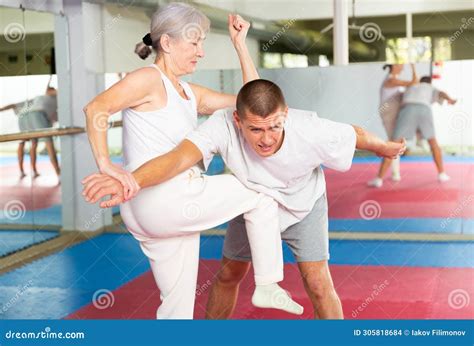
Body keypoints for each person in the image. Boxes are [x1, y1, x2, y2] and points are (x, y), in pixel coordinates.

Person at [82, 79, 406, 319]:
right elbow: (178, 158)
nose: (267, 138)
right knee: (228, 275)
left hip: (304, 202)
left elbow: (356, 134)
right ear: (238, 121)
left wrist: (384, 147)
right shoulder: (221, 126)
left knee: (318, 282)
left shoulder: (310, 129)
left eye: (275, 127)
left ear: (286, 115)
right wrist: (130, 181)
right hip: (254, 199)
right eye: (256, 130)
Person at [83, 3, 302, 319]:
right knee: (263, 191)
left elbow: (254, 100)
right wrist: (105, 164)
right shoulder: (149, 78)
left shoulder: (188, 92)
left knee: (177, 310)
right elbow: (96, 109)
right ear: (168, 43)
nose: (201, 52)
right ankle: (267, 283)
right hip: (164, 199)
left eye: (202, 43)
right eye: (195, 42)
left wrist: (240, 45)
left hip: (154, 209)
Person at [369, 76, 457, 186]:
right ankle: (442, 174)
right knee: (433, 143)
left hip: (407, 110)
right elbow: (441, 93)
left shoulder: (410, 87)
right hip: (424, 109)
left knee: (394, 143)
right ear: (430, 82)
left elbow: (396, 100)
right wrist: (450, 99)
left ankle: (379, 179)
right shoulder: (430, 87)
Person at [368, 63, 417, 187]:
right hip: (388, 114)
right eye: (400, 65)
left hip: (392, 114)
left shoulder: (393, 80)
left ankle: (395, 174)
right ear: (394, 67)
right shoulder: (392, 79)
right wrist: (413, 67)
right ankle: (379, 179)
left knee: (398, 142)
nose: (402, 66)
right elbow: (414, 82)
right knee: (394, 143)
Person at [0, 86, 60, 178]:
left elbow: (13, 105)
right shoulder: (51, 97)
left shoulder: (38, 98)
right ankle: (59, 173)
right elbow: (13, 105)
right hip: (37, 114)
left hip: (23, 116)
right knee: (48, 142)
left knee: (29, 143)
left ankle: (31, 171)